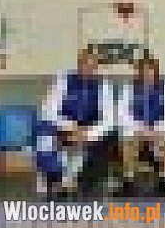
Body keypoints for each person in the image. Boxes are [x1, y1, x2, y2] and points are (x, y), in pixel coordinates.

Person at [36, 47, 116, 196]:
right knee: (44, 132)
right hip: (63, 125)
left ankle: (77, 179)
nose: (88, 68)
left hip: (89, 129)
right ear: (79, 64)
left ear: (97, 67)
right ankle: (52, 175)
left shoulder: (104, 86)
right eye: (85, 64)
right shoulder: (62, 81)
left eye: (92, 65)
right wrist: (70, 126)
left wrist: (87, 132)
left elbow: (109, 118)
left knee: (109, 135)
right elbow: (48, 110)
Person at [118, 56, 165, 194]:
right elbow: (122, 113)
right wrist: (142, 129)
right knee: (128, 141)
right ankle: (128, 181)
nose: (147, 74)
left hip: (159, 129)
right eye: (144, 71)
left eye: (151, 71)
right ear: (139, 72)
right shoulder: (128, 88)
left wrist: (155, 129)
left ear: (156, 72)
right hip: (136, 128)